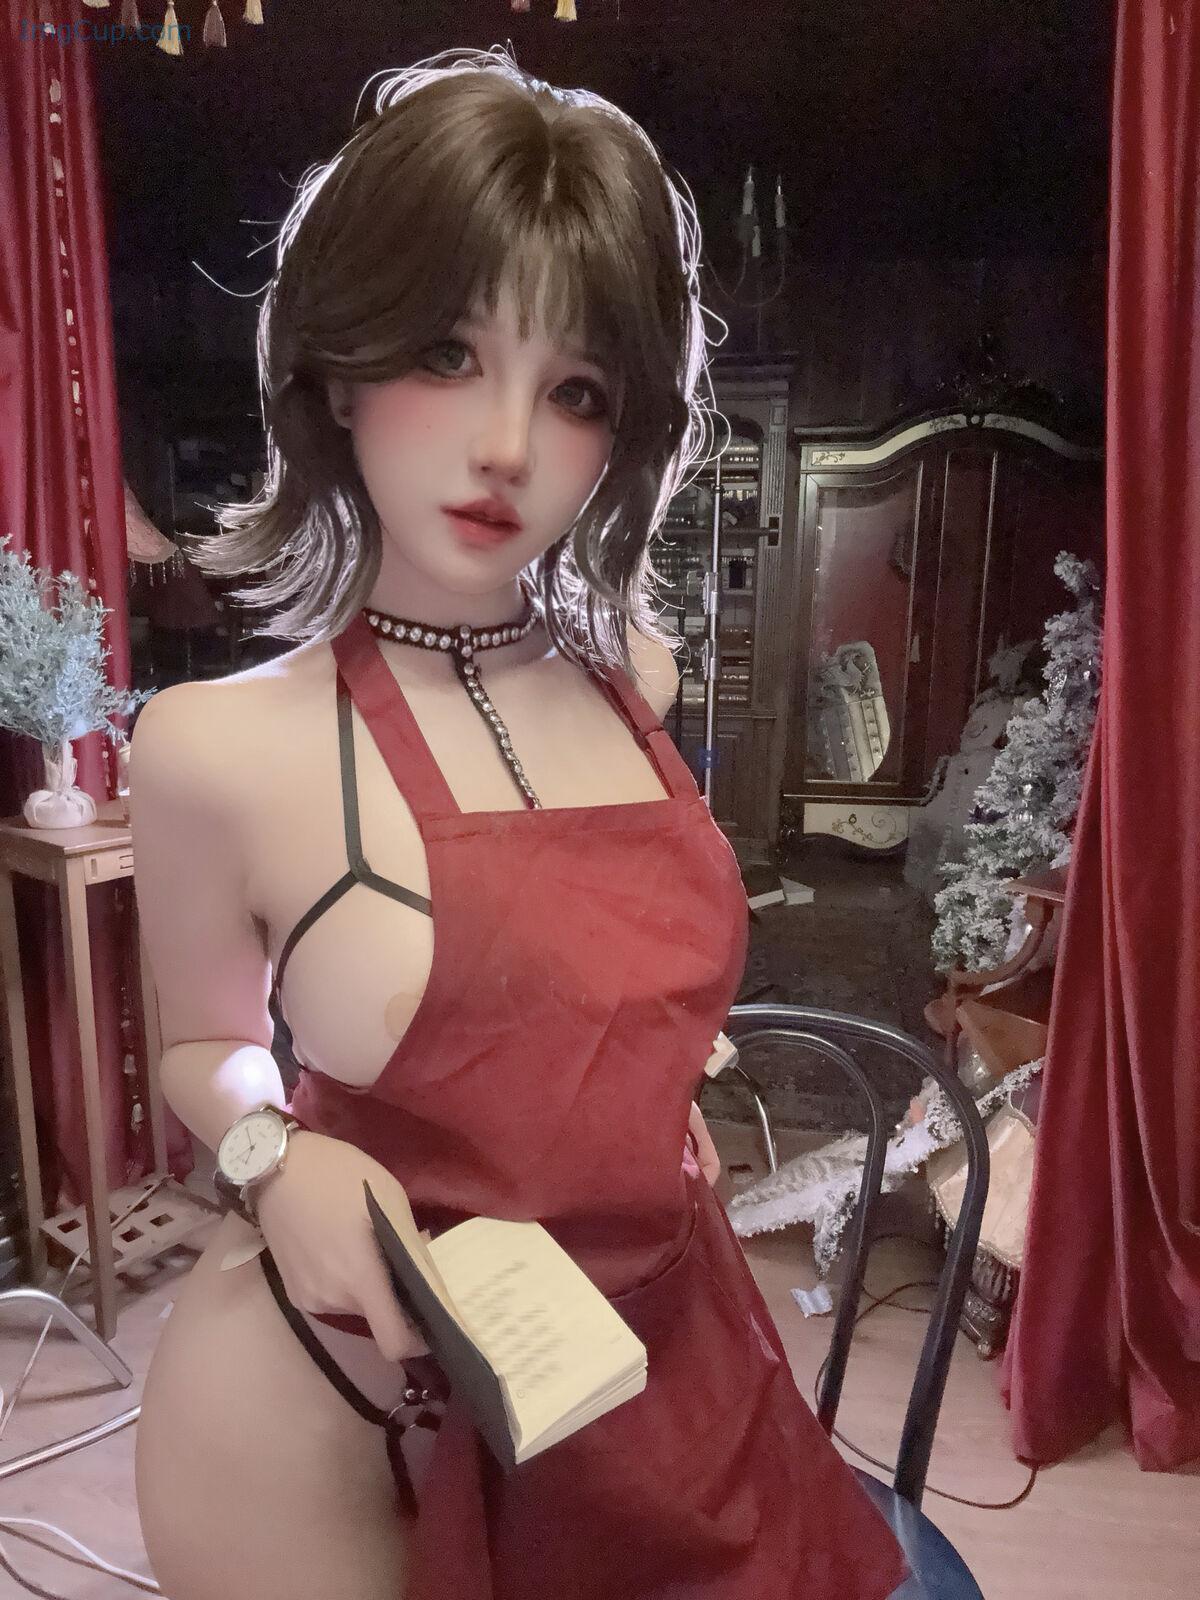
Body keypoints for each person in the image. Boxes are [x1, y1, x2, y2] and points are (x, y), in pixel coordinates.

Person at [130, 45, 910, 1600]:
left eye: (574, 392)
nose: (506, 446)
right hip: (343, 1391)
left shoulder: (641, 681)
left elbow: (607, 982)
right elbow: (195, 1045)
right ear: (339, 369)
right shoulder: (218, 747)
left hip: (648, 1345)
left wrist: (645, 1082)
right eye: (448, 353)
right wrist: (273, 1153)